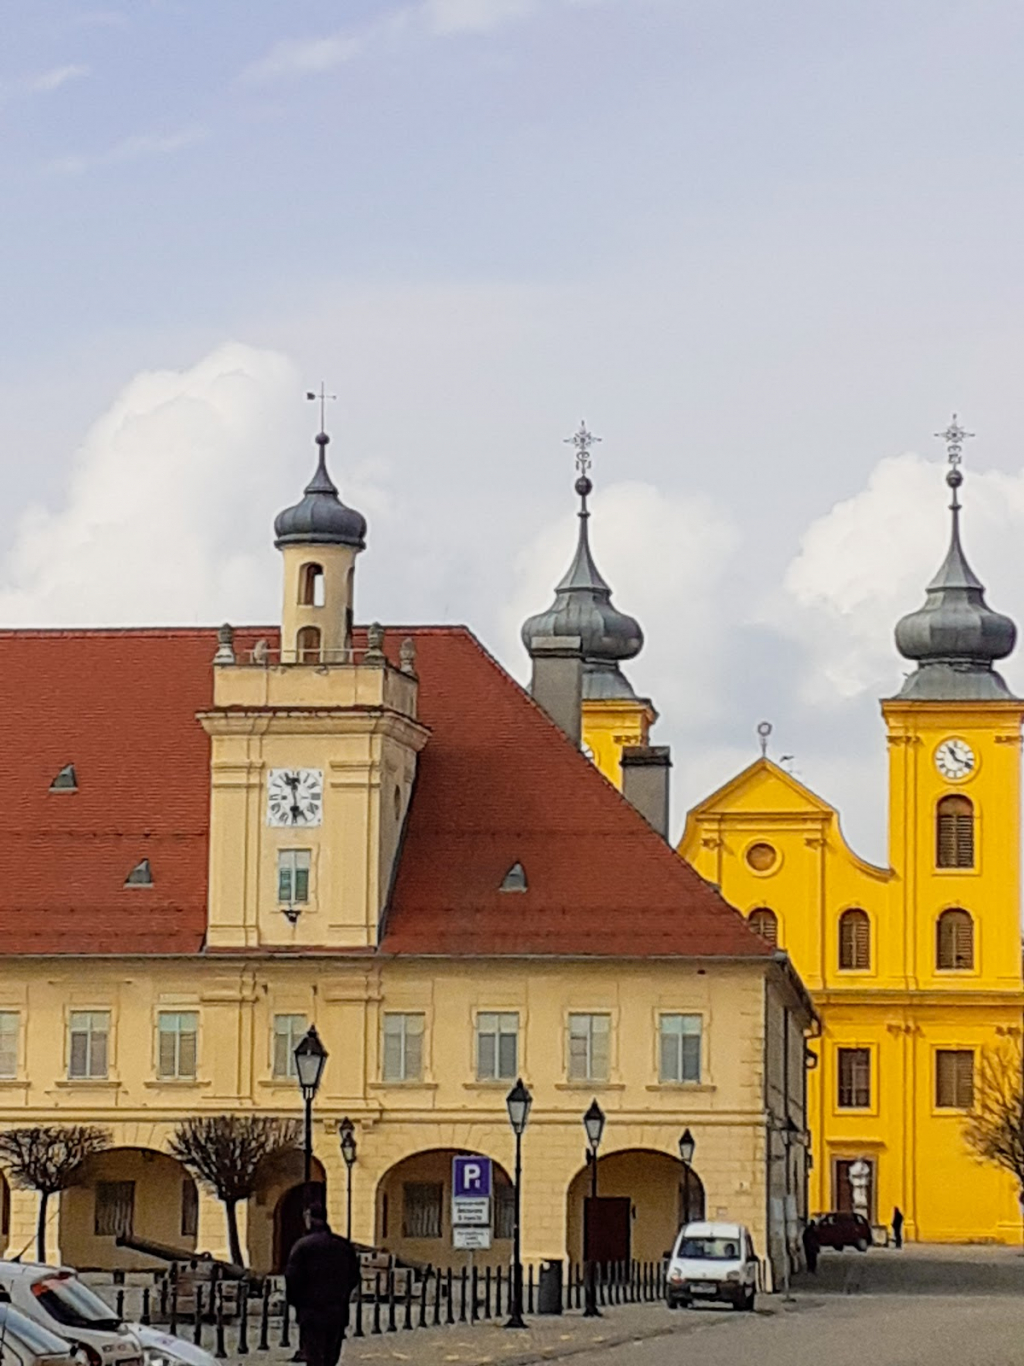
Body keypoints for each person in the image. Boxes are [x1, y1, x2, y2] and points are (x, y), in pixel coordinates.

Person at [285, 1201, 361, 1366]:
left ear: (309, 1218)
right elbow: (354, 1276)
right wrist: (341, 1294)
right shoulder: (342, 1246)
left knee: (314, 1357)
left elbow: (292, 1278)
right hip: (337, 1311)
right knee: (330, 1358)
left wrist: (297, 1303)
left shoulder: (302, 1246)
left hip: (311, 1313)